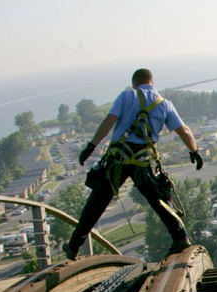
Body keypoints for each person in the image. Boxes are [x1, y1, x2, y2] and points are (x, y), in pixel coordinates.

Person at [65, 68, 204, 260]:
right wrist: (194, 151)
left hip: (118, 159)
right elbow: (184, 130)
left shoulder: (127, 95)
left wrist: (91, 146)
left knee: (98, 201)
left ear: (134, 83)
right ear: (152, 82)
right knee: (159, 199)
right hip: (143, 161)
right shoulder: (164, 104)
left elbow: (109, 121)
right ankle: (180, 237)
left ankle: (74, 245)